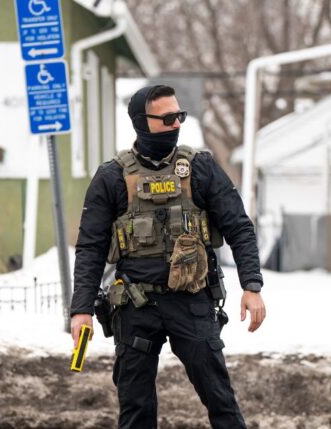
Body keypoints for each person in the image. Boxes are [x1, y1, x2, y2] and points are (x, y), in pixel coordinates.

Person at [69, 84, 266, 428]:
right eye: (168, 118)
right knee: (136, 409)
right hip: (136, 304)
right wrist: (81, 309)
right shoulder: (112, 177)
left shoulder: (199, 167)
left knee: (221, 401)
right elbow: (90, 247)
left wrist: (252, 285)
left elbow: (238, 227)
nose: (177, 124)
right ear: (142, 123)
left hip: (191, 303)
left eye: (180, 116)